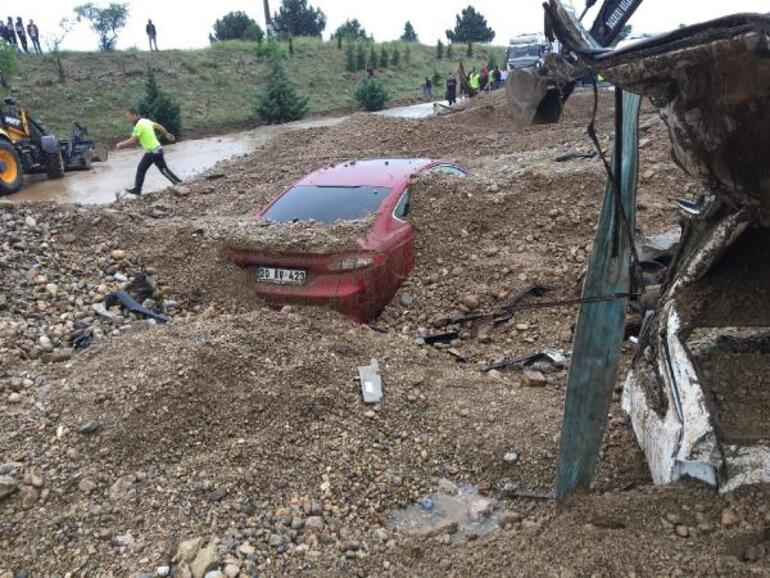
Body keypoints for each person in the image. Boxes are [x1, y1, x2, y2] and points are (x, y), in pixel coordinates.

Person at [116, 108, 181, 196]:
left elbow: (133, 140)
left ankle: (179, 183)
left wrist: (121, 144)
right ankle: (137, 189)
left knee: (164, 170)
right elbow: (158, 126)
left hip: (154, 151)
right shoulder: (145, 121)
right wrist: (166, 134)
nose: (128, 119)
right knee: (141, 169)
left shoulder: (139, 125)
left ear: (134, 115)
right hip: (152, 151)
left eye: (128, 117)